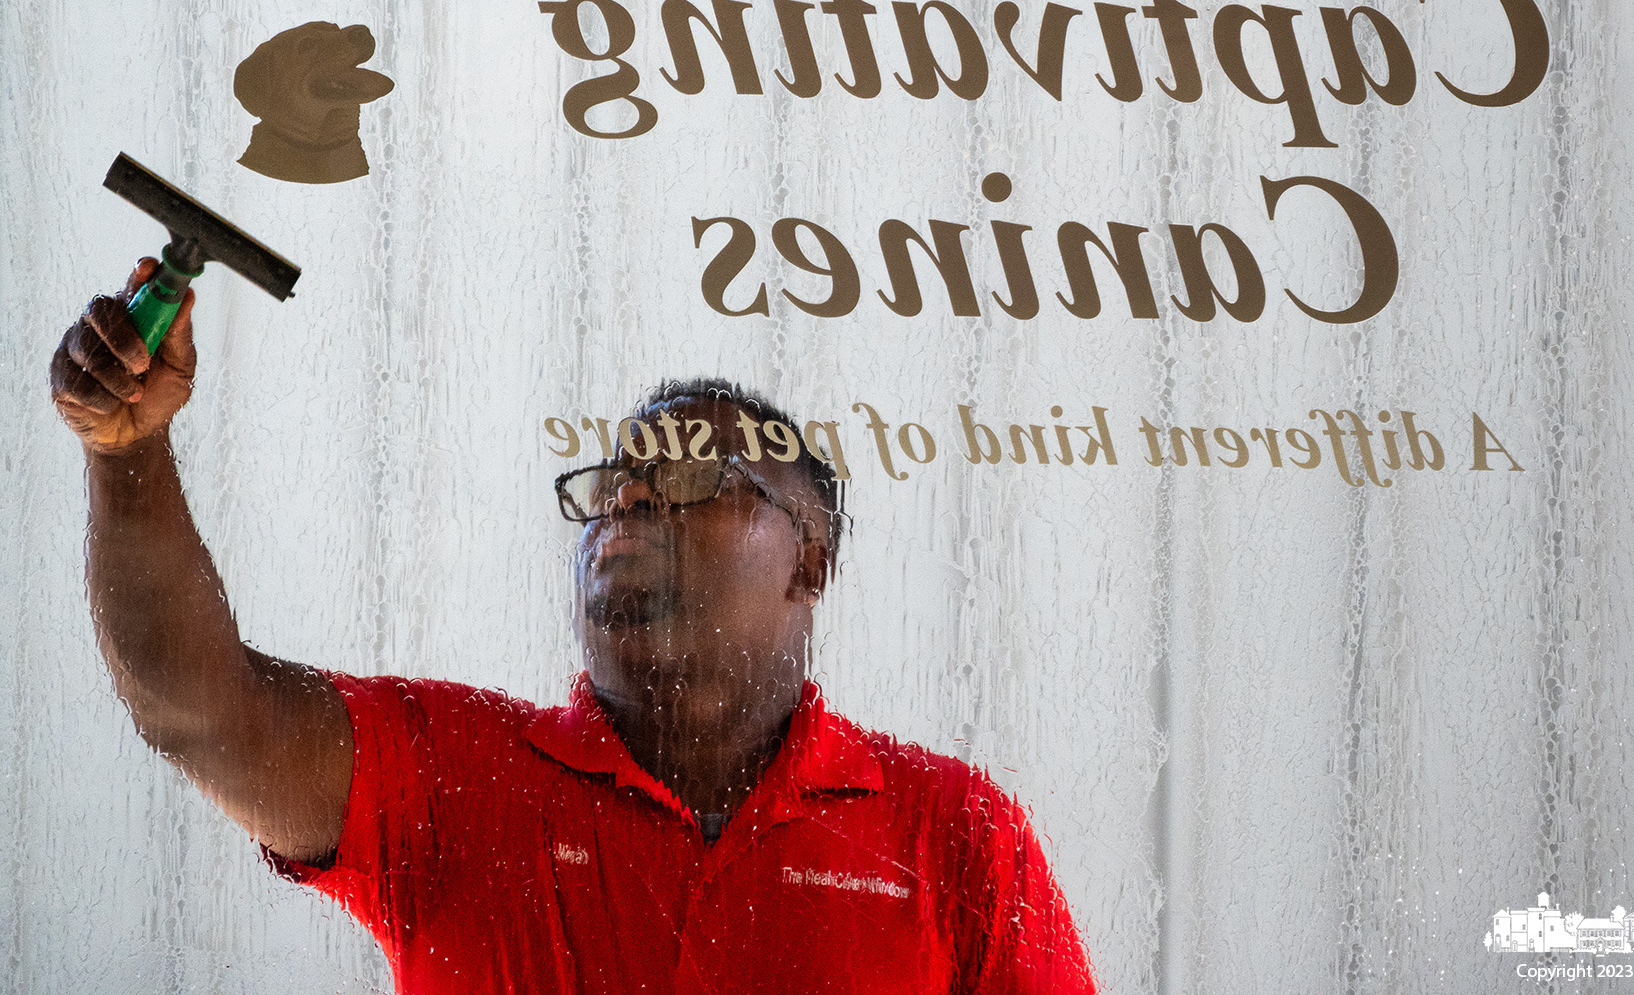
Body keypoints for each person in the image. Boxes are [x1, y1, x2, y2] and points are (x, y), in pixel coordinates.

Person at [50, 258, 1098, 994]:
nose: (628, 497)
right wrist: (127, 455)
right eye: (611, 479)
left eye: (688, 468)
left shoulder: (955, 838)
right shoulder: (453, 780)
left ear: (810, 557)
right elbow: (198, 708)